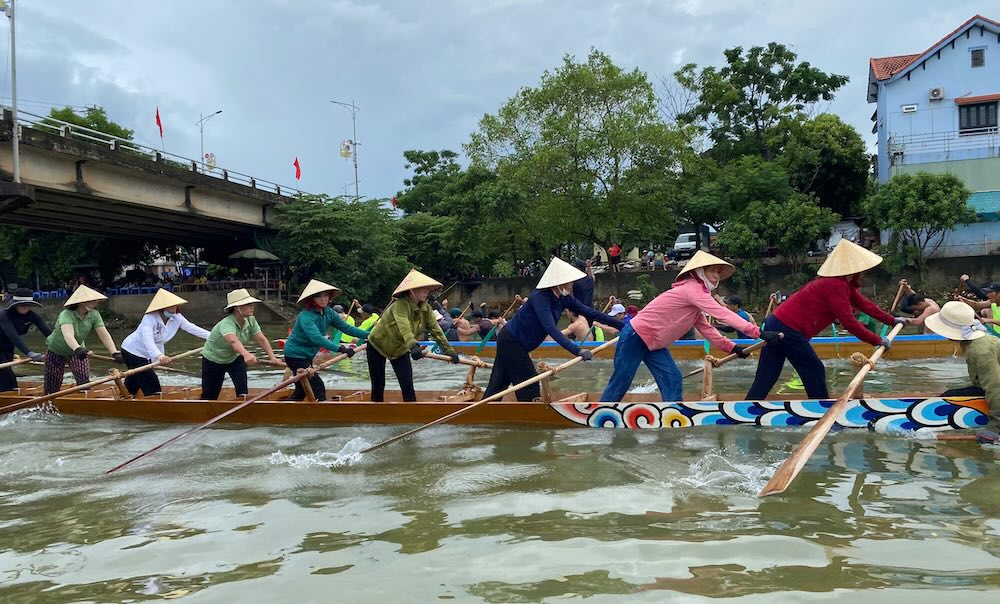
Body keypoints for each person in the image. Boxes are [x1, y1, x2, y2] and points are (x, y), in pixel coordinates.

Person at [600, 251, 777, 403]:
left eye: (717, 271)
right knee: (622, 380)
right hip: (636, 336)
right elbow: (722, 314)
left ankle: (672, 417)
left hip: (654, 344)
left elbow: (708, 330)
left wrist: (733, 348)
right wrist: (758, 333)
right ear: (700, 272)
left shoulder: (696, 298)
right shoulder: (693, 289)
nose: (716, 275)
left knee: (673, 378)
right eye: (711, 270)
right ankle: (599, 414)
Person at [745, 240, 907, 400]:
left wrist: (891, 320)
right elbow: (849, 322)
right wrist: (877, 340)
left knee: (768, 375)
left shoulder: (844, 284)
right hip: (787, 328)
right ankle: (820, 410)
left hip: (776, 323)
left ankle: (749, 406)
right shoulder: (834, 284)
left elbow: (865, 305)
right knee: (813, 369)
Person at [482, 258, 624, 402]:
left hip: (516, 344)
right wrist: (577, 350)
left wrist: (622, 326)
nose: (572, 283)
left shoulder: (564, 298)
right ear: (560, 282)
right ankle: (530, 418)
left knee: (497, 386)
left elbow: (590, 312)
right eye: (569, 281)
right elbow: (550, 328)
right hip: (511, 341)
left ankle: (484, 413)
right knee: (529, 385)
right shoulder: (540, 298)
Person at [366, 269, 459, 402]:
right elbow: (404, 327)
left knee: (407, 385)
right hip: (377, 345)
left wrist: (449, 351)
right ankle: (375, 414)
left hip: (399, 349)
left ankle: (411, 413)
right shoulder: (400, 305)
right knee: (378, 385)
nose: (427, 291)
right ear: (412, 291)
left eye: (428, 289)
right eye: (423, 288)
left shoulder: (426, 308)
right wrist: (413, 346)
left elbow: (436, 331)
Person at [283, 280, 369, 401]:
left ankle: (288, 411)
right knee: (318, 387)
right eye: (318, 296)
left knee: (301, 390)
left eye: (325, 295)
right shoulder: (306, 316)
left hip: (308, 356)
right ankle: (321, 413)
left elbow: (347, 328)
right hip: (295, 355)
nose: (323, 299)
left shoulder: (329, 313)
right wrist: (340, 349)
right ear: (311, 299)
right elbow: (316, 338)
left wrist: (370, 335)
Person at [924, 301, 999, 430]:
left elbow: (996, 387)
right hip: (989, 385)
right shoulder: (971, 343)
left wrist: (994, 428)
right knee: (948, 395)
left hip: (997, 389)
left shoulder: (980, 350)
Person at [120, 289, 210, 396]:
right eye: (170, 306)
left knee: (135, 378)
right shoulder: (149, 318)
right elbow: (148, 340)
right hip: (132, 351)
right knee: (151, 384)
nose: (173, 308)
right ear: (161, 307)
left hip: (147, 354)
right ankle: (154, 401)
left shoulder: (177, 317)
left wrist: (213, 337)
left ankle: (125, 397)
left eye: (175, 305)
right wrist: (159, 356)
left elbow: (192, 328)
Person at [201, 289, 281, 400]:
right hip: (214, 360)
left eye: (251, 304)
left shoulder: (251, 320)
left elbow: (261, 339)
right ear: (237, 308)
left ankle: (243, 411)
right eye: (248, 304)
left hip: (234, 358)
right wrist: (247, 355)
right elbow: (234, 341)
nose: (252, 307)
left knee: (242, 391)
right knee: (210, 395)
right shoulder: (227, 323)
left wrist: (272, 357)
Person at [43, 286, 122, 395]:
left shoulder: (94, 314)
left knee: (84, 379)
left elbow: (104, 334)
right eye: (91, 300)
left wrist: (114, 352)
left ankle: (84, 401)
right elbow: (68, 335)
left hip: (78, 351)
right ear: (81, 302)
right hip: (57, 350)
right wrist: (78, 349)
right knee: (52, 387)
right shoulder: (66, 314)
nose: (95, 302)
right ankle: (50, 404)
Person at [0, 288, 51, 392]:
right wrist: (29, 353)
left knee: (7, 377)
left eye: (28, 304)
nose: (25, 307)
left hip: (8, 348)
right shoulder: (3, 315)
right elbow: (13, 336)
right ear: (15, 304)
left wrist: (61, 348)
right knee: (8, 377)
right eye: (22, 304)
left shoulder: (32, 316)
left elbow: (50, 334)